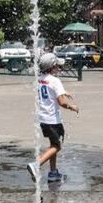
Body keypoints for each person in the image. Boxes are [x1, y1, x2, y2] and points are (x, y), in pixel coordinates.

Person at [27, 52, 80, 184]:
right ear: (52, 67)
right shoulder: (55, 81)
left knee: (53, 145)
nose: (59, 68)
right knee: (57, 145)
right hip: (53, 120)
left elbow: (49, 90)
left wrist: (63, 91)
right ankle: (36, 164)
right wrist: (72, 107)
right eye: (57, 66)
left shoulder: (40, 79)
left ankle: (53, 173)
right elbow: (61, 102)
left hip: (43, 119)